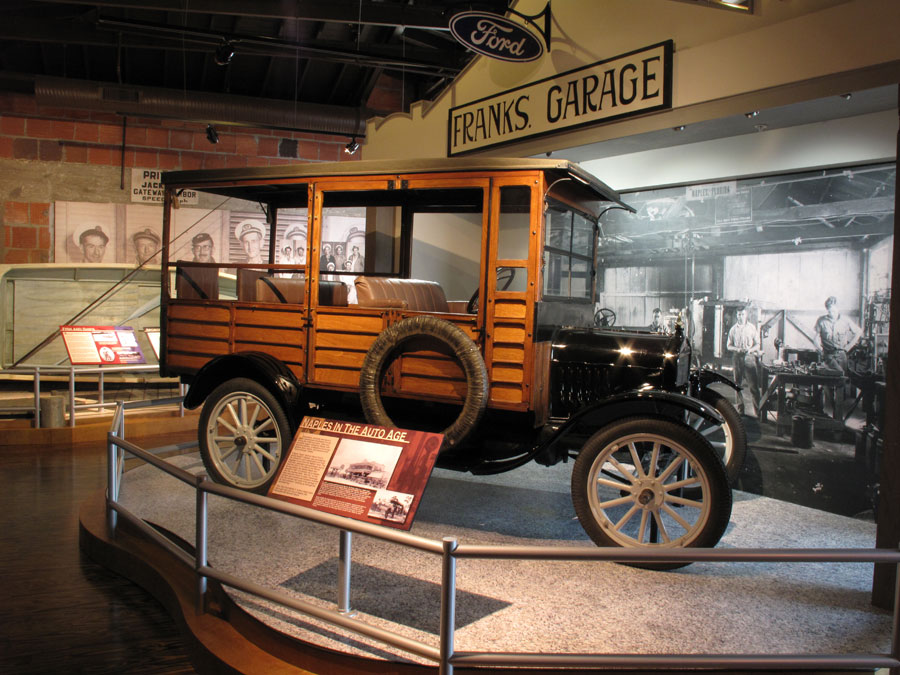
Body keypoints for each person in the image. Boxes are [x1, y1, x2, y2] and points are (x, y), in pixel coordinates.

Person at [726, 306, 762, 413]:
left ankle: (758, 411)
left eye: (742, 314)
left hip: (749, 358)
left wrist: (750, 350)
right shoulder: (733, 329)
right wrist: (737, 349)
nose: (740, 317)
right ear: (736, 315)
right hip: (737, 358)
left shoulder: (751, 328)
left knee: (753, 387)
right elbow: (728, 345)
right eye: (738, 314)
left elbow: (758, 344)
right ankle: (740, 410)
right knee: (737, 385)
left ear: (746, 315)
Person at [814, 296, 861, 374]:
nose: (831, 313)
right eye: (829, 311)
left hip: (842, 355)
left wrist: (848, 347)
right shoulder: (821, 321)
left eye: (833, 311)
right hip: (828, 356)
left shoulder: (845, 320)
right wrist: (820, 350)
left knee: (842, 378)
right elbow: (815, 338)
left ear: (838, 308)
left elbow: (858, 332)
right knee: (832, 379)